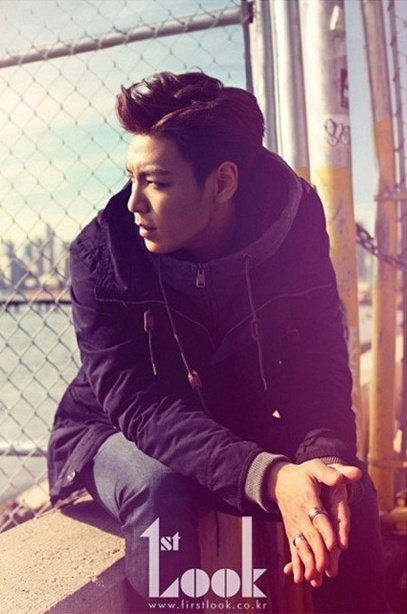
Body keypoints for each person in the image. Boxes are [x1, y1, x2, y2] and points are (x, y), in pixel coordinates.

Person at [48, 71, 388, 613]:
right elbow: (138, 405)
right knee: (161, 491)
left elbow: (318, 361)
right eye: (131, 178)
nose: (134, 202)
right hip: (112, 428)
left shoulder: (293, 219)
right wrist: (270, 476)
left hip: (228, 416)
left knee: (345, 487)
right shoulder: (102, 253)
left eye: (157, 183)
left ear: (224, 183)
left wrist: (321, 462)